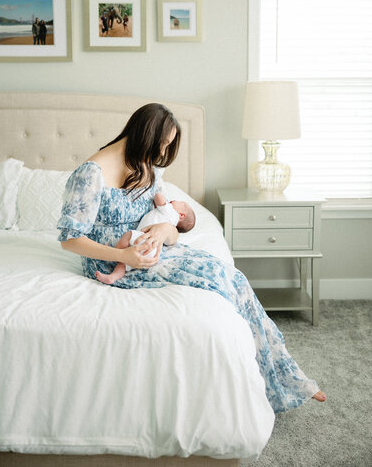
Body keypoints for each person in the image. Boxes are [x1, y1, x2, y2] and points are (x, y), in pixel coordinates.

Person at [57, 102, 326, 413]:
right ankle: (280, 384)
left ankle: (285, 378)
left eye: (168, 145)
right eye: (162, 143)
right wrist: (123, 254)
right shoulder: (92, 173)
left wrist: (162, 229)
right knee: (221, 280)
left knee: (233, 278)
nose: (162, 151)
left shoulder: (148, 167)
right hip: (111, 261)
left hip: (151, 251)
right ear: (145, 134)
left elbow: (170, 229)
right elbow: (70, 240)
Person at [95, 191, 196, 284]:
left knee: (128, 235)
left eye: (180, 202)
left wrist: (160, 195)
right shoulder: (170, 220)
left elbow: (158, 197)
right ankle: (112, 277)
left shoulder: (171, 212)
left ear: (181, 215)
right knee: (124, 263)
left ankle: (113, 252)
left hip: (144, 239)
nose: (174, 200)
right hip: (151, 251)